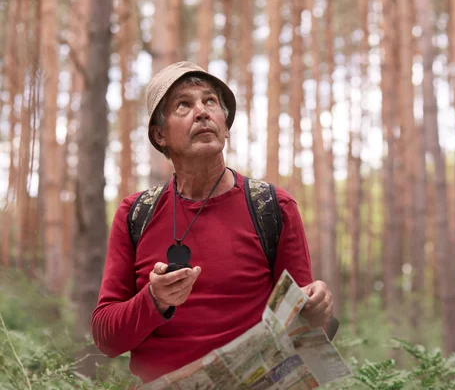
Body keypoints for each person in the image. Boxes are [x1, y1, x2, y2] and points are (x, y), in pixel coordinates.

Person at [90, 61, 333, 383]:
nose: (202, 112)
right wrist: (155, 300)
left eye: (210, 102)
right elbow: (107, 340)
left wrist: (318, 310)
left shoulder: (274, 207)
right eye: (183, 105)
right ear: (160, 134)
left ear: (225, 124)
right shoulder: (135, 213)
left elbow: (304, 327)